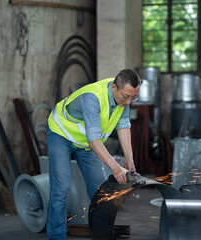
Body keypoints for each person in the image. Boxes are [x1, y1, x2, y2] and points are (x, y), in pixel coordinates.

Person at [46, 68, 141, 239]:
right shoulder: (93, 97)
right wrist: (116, 168)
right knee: (61, 188)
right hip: (61, 134)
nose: (128, 102)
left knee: (99, 189)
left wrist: (129, 160)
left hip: (86, 142)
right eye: (126, 97)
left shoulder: (123, 97)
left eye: (133, 97)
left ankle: (102, 235)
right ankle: (56, 236)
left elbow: (123, 125)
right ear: (114, 87)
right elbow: (94, 141)